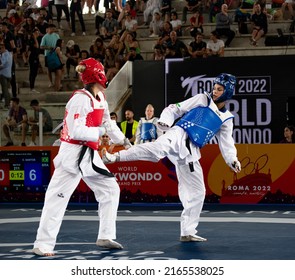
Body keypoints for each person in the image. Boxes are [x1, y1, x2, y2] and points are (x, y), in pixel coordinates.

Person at [103, 73, 241, 242]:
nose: (215, 91)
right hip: (179, 133)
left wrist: (232, 159)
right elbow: (174, 108)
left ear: (228, 92)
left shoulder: (227, 119)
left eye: (219, 89)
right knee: (157, 150)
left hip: (191, 151)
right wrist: (165, 122)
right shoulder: (203, 99)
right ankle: (115, 157)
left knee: (198, 192)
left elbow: (226, 142)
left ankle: (187, 232)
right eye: (214, 88)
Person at [32, 58, 131, 256]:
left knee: (110, 189)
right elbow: (76, 131)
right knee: (57, 198)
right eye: (102, 71)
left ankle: (106, 235)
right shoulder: (80, 99)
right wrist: (101, 130)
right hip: (72, 154)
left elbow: (108, 124)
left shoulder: (100, 98)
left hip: (88, 155)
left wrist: (124, 140)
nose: (106, 75)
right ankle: (42, 244)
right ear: (97, 75)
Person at [0, 42, 13, 108]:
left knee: (5, 90)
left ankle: (7, 104)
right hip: (8, 74)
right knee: (7, 90)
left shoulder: (5, 55)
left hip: (3, 75)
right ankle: (9, 103)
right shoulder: (9, 54)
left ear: (3, 48)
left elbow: (2, 65)